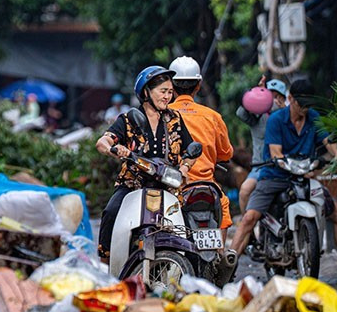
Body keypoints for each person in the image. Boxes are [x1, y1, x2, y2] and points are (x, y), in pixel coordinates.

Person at [229, 79, 337, 279]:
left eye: (309, 104)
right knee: (249, 218)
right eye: (301, 104)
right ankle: (227, 269)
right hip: (275, 176)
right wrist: (282, 162)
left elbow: (327, 141)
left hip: (305, 177)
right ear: (291, 100)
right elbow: (275, 152)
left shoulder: (313, 117)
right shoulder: (276, 120)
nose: (305, 108)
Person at [95, 65, 195, 262]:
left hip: (168, 185)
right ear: (146, 92)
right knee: (110, 212)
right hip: (133, 184)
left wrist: (184, 169)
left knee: (189, 222)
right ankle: (106, 262)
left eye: (170, 92)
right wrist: (115, 149)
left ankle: (193, 271)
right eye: (162, 91)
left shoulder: (175, 119)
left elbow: (191, 150)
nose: (167, 96)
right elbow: (103, 141)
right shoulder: (128, 119)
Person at [167, 56, 234, 231]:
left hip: (174, 186)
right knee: (223, 207)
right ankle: (220, 254)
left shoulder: (163, 115)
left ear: (171, 86)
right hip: (207, 185)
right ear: (198, 85)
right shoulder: (212, 116)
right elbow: (226, 153)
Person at [236, 77, 288, 213]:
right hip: (260, 168)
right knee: (244, 191)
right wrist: (256, 94)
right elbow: (241, 113)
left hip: (286, 167)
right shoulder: (257, 118)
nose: (275, 100)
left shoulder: (289, 117)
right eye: (272, 96)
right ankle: (250, 231)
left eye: (278, 97)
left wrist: (284, 110)